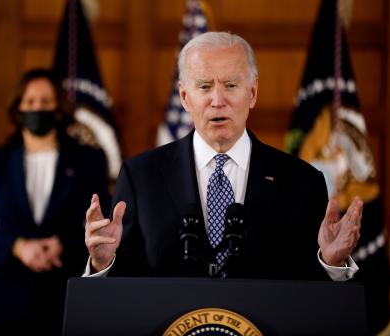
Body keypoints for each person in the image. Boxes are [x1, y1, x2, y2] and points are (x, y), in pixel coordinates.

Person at [84, 32, 362, 281]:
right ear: (184, 97)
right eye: (204, 86)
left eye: (230, 85)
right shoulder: (140, 177)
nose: (218, 100)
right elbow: (126, 288)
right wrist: (103, 263)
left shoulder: (302, 181)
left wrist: (331, 263)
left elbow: (311, 299)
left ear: (252, 92)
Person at [0, 68, 110, 335]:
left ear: (58, 109)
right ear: (18, 108)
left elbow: (103, 227)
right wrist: (18, 248)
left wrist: (62, 246)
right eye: (30, 102)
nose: (37, 108)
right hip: (4, 304)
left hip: (65, 301)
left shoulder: (89, 161)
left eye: (45, 102)